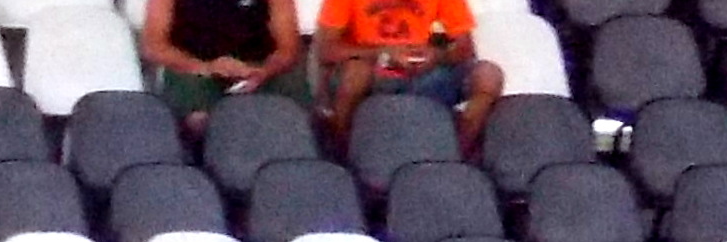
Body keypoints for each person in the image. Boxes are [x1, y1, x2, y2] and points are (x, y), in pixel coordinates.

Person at [316, 0, 501, 152]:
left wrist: (436, 55)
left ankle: (454, 156)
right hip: (372, 76)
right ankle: (345, 156)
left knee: (488, 74)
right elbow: (326, 50)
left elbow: (465, 48)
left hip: (424, 76)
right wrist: (384, 53)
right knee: (355, 73)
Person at [143, 0, 308, 132]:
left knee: (293, 113)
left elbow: (289, 49)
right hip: (193, 69)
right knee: (200, 118)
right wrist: (206, 68)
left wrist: (263, 72)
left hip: (259, 68)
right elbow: (154, 46)